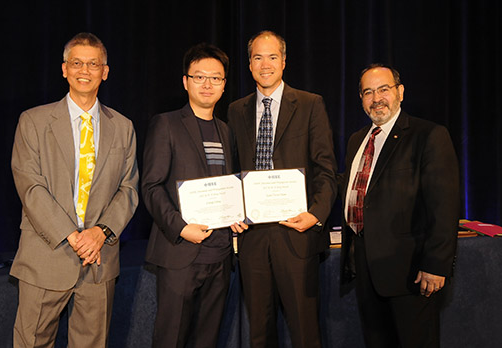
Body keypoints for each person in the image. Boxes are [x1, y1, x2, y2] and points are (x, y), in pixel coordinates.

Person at [10, 32, 139, 347]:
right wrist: (72, 235)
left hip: (99, 260)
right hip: (46, 256)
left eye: (93, 64)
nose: (85, 70)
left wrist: (99, 233)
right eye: (77, 63)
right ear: (64, 69)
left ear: (104, 72)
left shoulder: (123, 127)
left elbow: (129, 188)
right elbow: (30, 186)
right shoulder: (34, 122)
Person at [227, 30, 338, 348]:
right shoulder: (236, 110)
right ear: (249, 65)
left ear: (284, 62)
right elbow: (232, 171)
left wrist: (315, 215)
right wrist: (231, 210)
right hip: (252, 238)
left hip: (297, 234)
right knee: (259, 334)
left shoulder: (309, 104)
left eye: (272, 56)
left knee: (305, 332)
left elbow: (327, 170)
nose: (265, 64)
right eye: (258, 57)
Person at [340, 63, 460, 348]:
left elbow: (444, 205)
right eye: (368, 92)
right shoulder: (357, 139)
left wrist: (436, 264)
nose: (376, 98)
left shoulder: (428, 135)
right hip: (367, 269)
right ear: (360, 98)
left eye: (384, 89)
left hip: (411, 273)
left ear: (400, 92)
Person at [142, 43, 241, 348]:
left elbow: (229, 186)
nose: (207, 84)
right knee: (171, 339)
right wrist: (181, 227)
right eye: (199, 77)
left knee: (207, 340)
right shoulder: (166, 124)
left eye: (216, 78)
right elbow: (151, 186)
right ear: (185, 81)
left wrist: (238, 213)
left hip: (221, 255)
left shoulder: (226, 130)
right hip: (181, 254)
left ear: (224, 86)